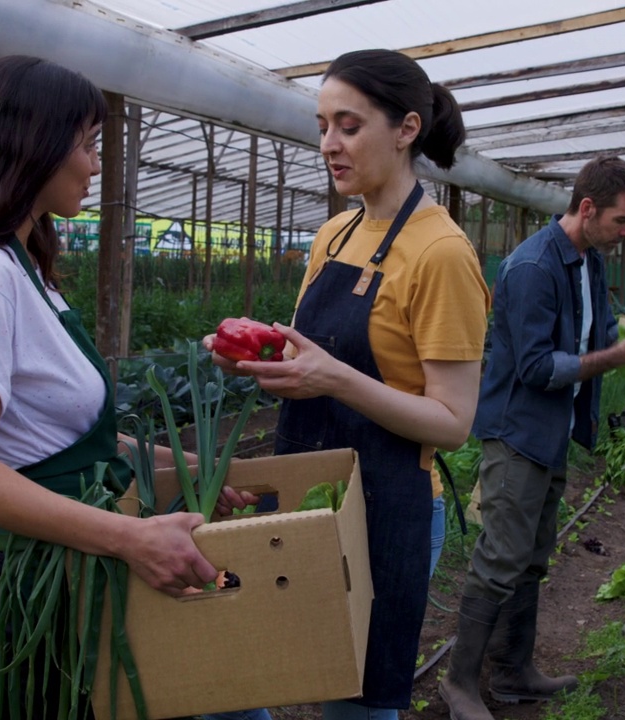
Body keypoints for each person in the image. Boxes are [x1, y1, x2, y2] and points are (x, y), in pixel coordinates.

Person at [0, 55, 239, 719]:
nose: (94, 163)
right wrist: (133, 538)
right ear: (34, 147)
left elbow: (62, 438)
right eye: (86, 145)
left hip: (64, 571)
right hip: (26, 584)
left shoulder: (23, 268)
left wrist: (193, 470)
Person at [208, 49, 491, 720]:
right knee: (233, 679)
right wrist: (265, 359)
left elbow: (452, 423)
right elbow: (317, 370)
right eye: (323, 125)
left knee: (353, 703)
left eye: (349, 125)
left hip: (386, 508)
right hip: (305, 493)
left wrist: (334, 376)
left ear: (407, 129)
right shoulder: (336, 234)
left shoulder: (442, 253)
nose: (329, 144)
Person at [440, 156, 625, 720]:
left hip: (553, 431)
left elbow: (606, 331)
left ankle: (514, 671)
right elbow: (538, 369)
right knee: (501, 556)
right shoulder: (533, 269)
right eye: (621, 221)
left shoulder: (587, 261)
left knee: (532, 557)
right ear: (587, 208)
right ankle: (459, 682)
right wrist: (621, 356)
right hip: (517, 432)